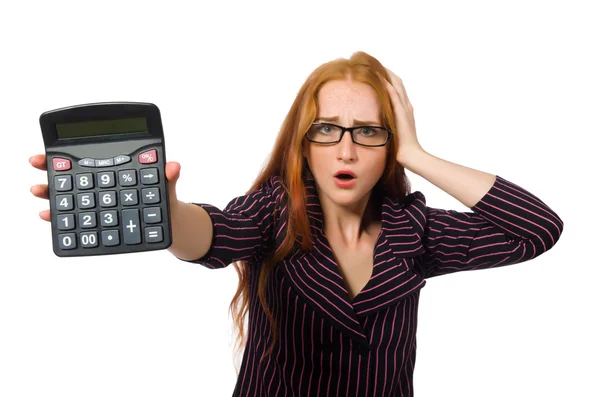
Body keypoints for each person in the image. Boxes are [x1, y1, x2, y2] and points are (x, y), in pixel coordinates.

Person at [30, 51, 564, 396]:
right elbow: (210, 236)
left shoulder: (415, 231)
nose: (346, 150)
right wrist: (163, 209)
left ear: (390, 143)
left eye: (370, 132)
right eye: (327, 130)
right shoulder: (273, 214)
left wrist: (419, 155)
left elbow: (536, 229)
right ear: (303, 142)